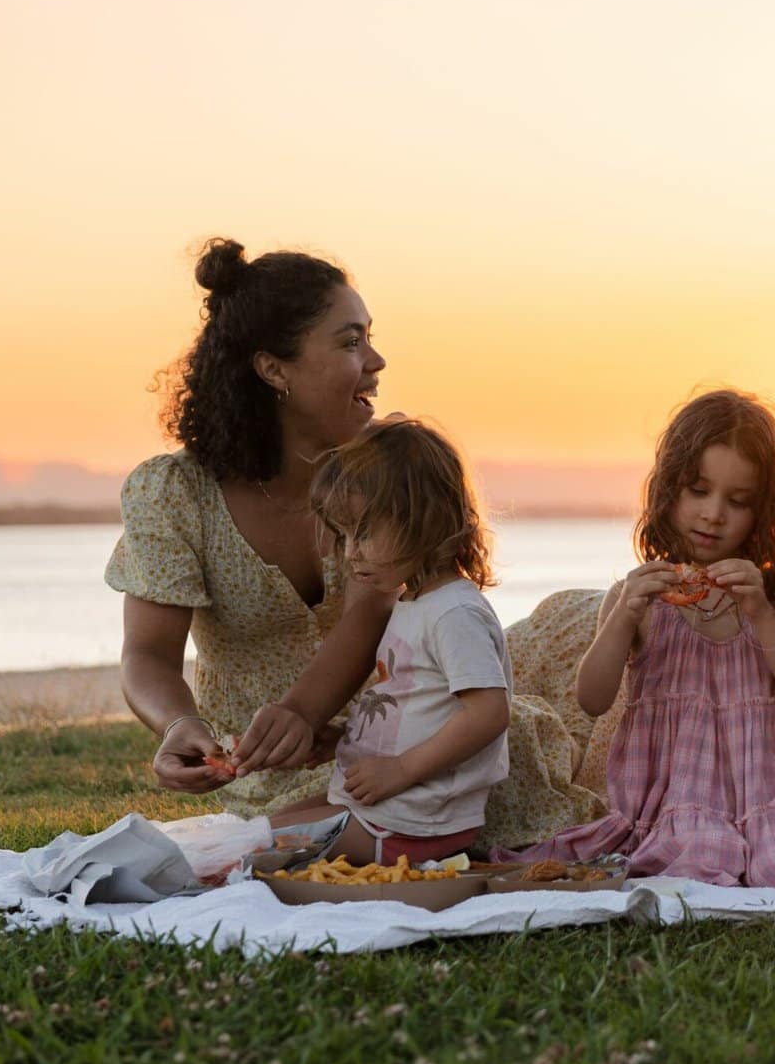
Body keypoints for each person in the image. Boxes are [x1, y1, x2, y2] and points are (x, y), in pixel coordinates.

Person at [106, 239, 600, 847]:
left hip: (406, 725)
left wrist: (304, 711)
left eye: (368, 337)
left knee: (592, 617)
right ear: (274, 369)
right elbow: (148, 655)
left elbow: (375, 611)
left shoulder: (386, 469)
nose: (377, 360)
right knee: (323, 824)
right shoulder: (174, 492)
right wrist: (180, 724)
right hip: (269, 762)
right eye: (350, 342)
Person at [500, 391, 775, 886]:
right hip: (675, 801)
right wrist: (621, 618)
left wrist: (759, 611)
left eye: (737, 502)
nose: (714, 514)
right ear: (669, 490)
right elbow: (591, 699)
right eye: (698, 491)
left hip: (766, 797)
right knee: (694, 854)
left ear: (763, 510)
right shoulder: (642, 598)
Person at [250, 418, 511, 865]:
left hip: (412, 823)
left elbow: (489, 712)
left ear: (424, 520)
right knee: (260, 829)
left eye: (364, 533)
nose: (351, 553)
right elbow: (418, 705)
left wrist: (402, 769)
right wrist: (346, 740)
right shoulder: (415, 602)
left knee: (252, 848)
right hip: (386, 810)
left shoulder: (454, 612)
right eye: (345, 535)